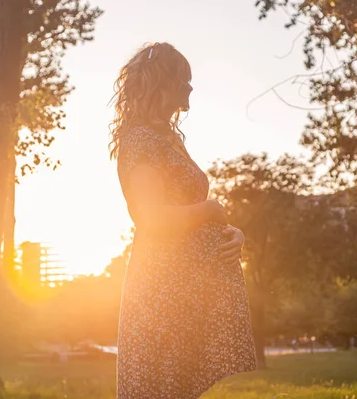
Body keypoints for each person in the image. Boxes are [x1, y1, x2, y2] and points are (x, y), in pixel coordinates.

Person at [109, 42, 257, 398]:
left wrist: (231, 233)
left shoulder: (169, 139)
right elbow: (152, 219)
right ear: (160, 82)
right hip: (161, 292)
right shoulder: (140, 140)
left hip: (186, 290)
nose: (190, 88)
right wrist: (211, 210)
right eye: (182, 79)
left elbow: (192, 208)